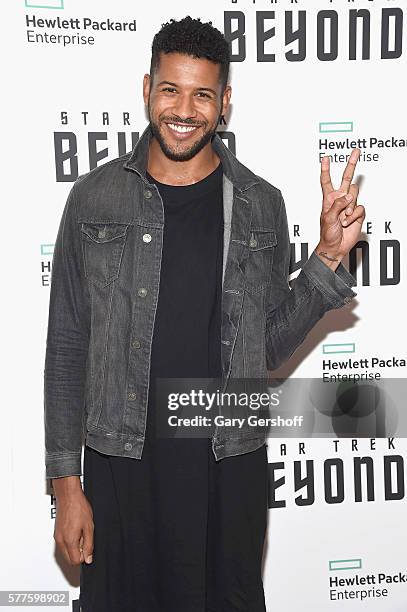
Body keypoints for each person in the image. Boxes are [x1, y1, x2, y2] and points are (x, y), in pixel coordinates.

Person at [44, 15, 365, 612]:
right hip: (121, 464)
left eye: (202, 94)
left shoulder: (260, 204)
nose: (183, 109)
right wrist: (66, 481)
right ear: (146, 90)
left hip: (227, 463)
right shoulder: (94, 198)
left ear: (225, 103)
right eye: (170, 89)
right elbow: (66, 345)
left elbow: (266, 350)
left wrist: (324, 259)